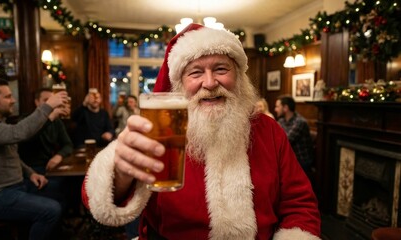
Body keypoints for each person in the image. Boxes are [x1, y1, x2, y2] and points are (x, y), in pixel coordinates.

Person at [82, 24, 321, 239]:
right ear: (180, 84)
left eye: (221, 69)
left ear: (238, 76)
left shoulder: (269, 130)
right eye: (195, 72)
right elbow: (94, 200)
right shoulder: (158, 130)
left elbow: (299, 205)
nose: (209, 83)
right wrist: (121, 174)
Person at [0, 78, 67, 240]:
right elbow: (19, 133)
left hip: (12, 187)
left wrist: (30, 174)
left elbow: (10, 155)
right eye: (8, 97)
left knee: (61, 193)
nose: (13, 100)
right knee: (51, 210)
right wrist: (48, 105)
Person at [18, 88, 73, 210]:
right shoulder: (26, 121)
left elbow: (68, 144)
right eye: (46, 100)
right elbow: (28, 139)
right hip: (31, 170)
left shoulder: (56, 121)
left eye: (52, 100)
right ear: (37, 102)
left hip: (50, 167)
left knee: (74, 183)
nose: (51, 103)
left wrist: (58, 156)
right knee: (59, 189)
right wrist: (50, 117)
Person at [274, 95, 314, 173]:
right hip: (289, 159)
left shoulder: (300, 122)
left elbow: (286, 141)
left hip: (302, 161)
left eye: (278, 107)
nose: (275, 109)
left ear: (285, 108)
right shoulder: (281, 121)